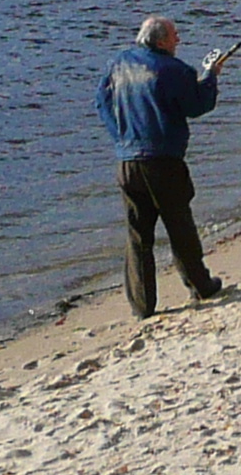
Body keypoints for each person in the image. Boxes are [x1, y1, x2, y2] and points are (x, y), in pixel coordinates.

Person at [96, 17, 224, 315]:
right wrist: (211, 76)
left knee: (138, 235)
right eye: (175, 36)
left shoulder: (118, 64)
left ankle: (142, 306)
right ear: (161, 41)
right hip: (163, 162)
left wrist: (122, 138)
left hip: (127, 162)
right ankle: (200, 285)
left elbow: (102, 103)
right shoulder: (173, 70)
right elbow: (198, 105)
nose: (179, 41)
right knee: (179, 225)